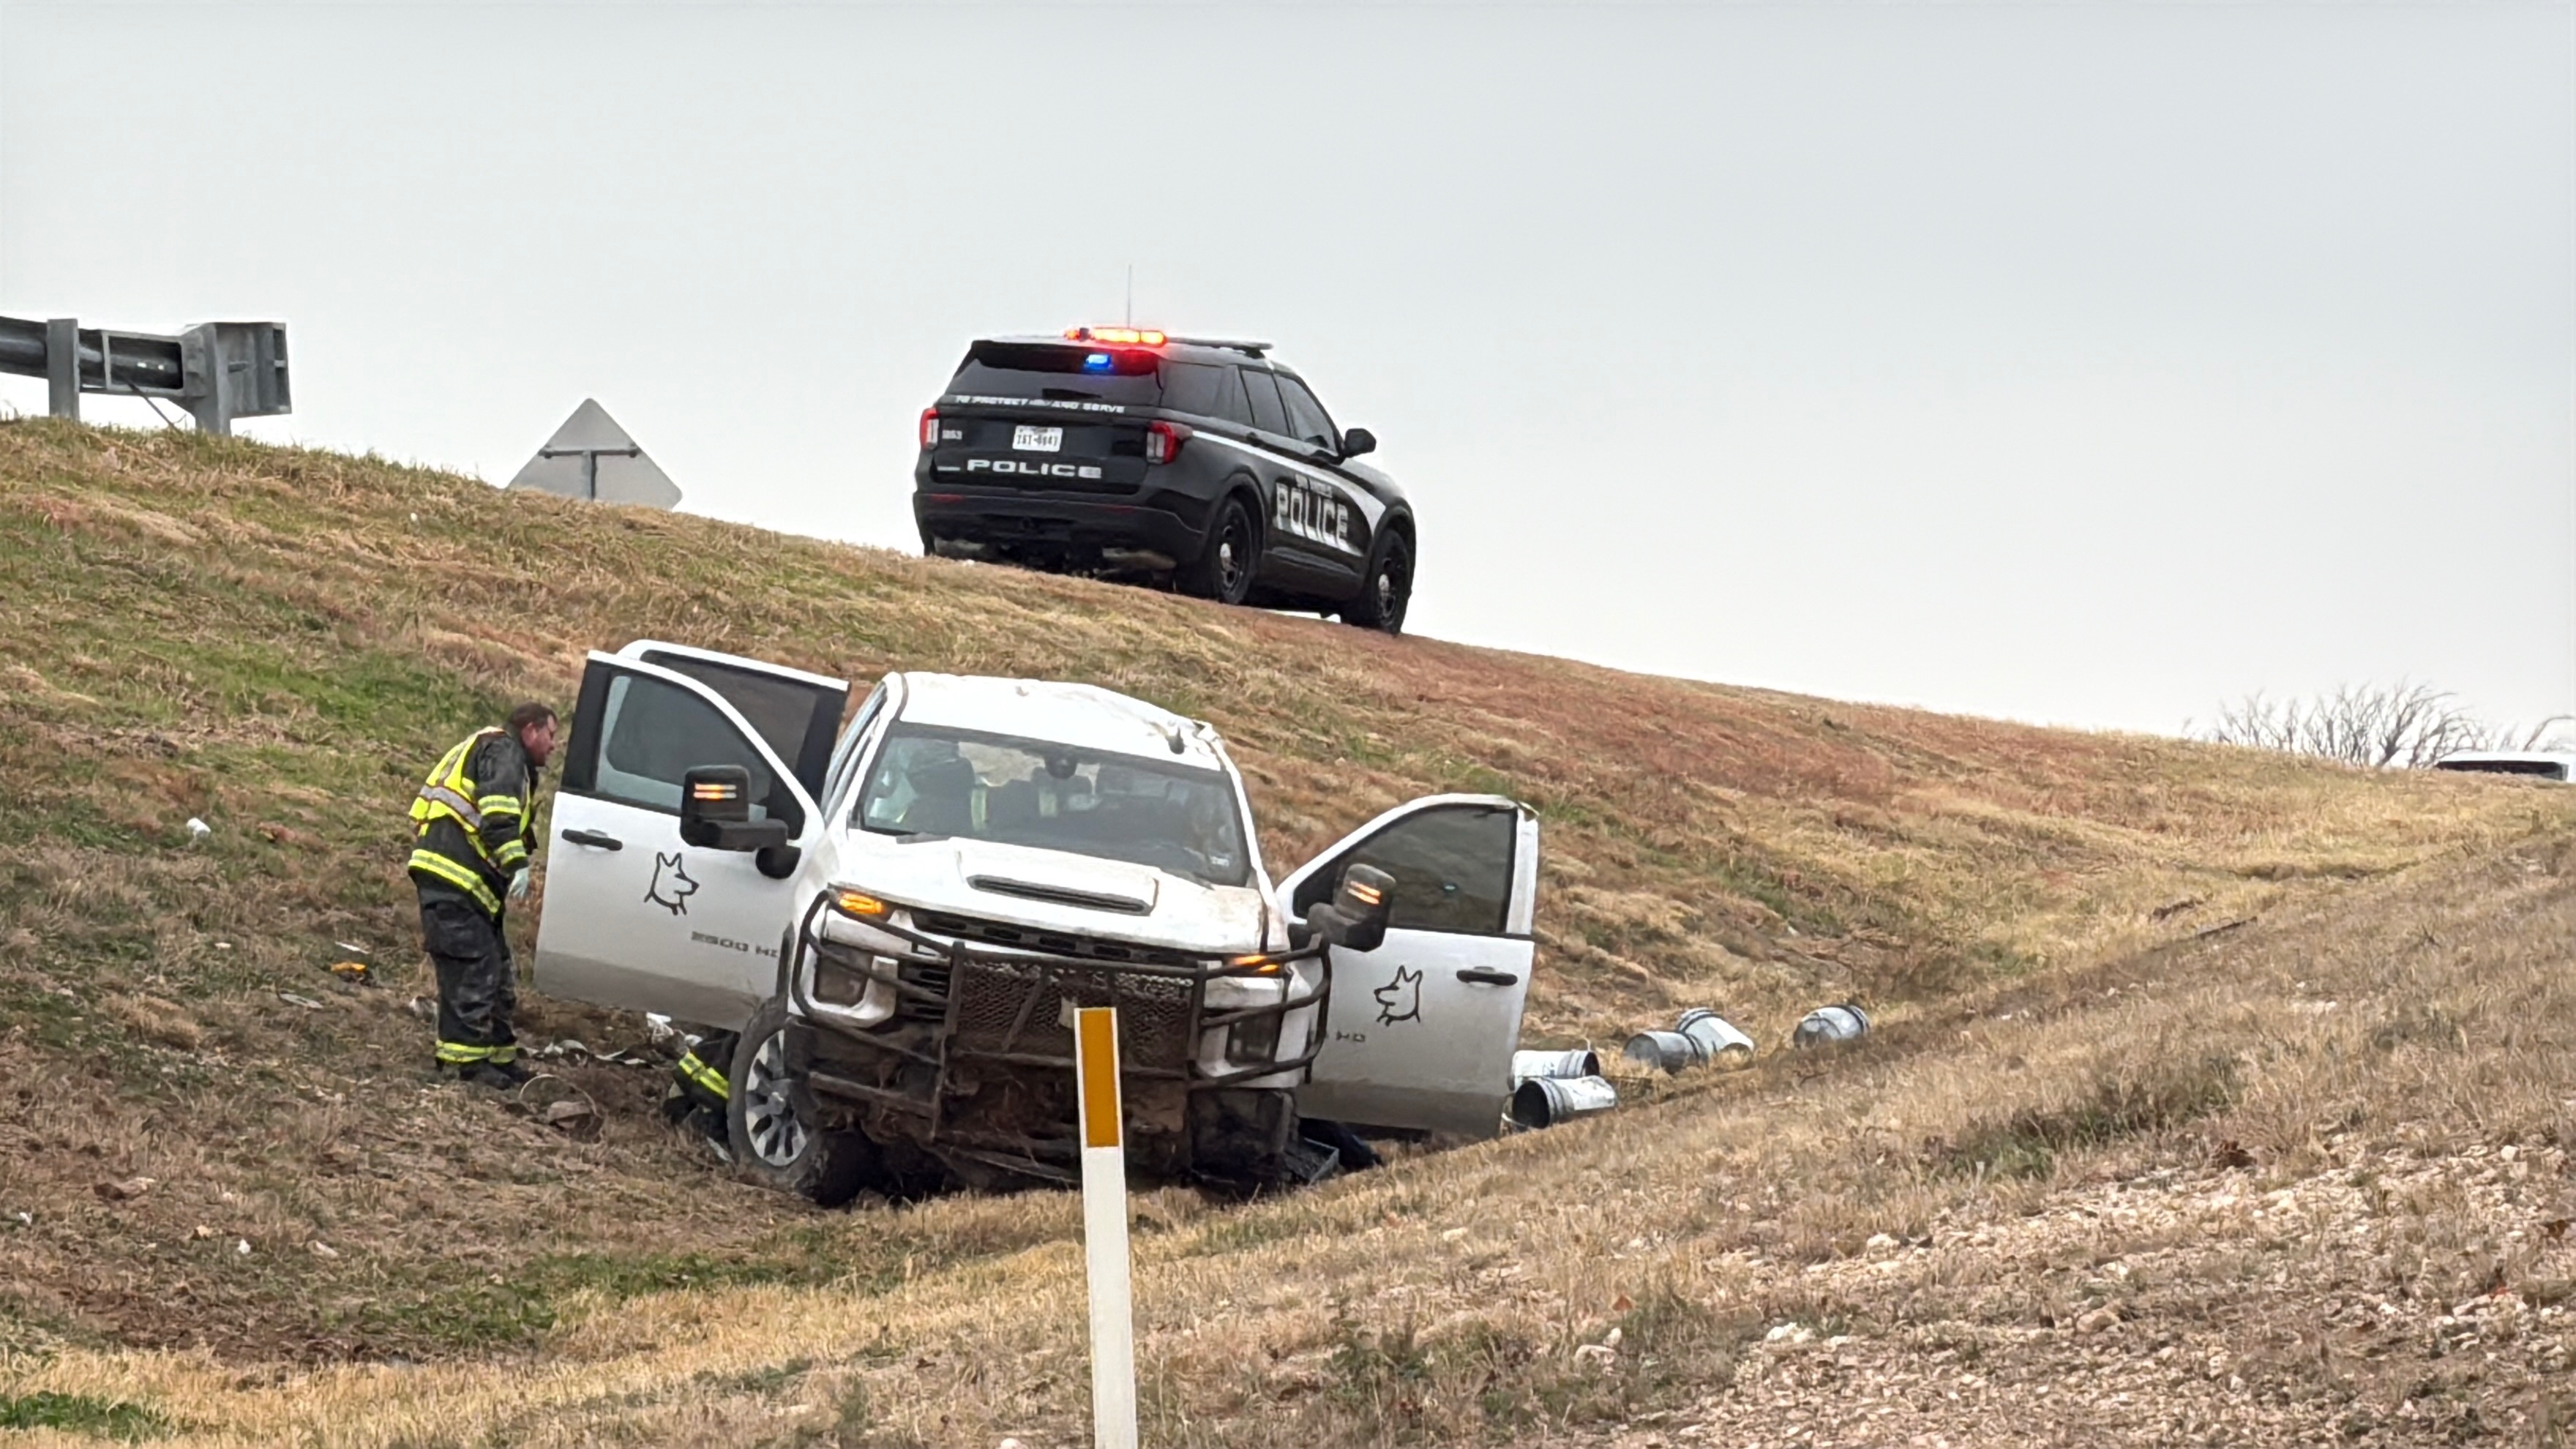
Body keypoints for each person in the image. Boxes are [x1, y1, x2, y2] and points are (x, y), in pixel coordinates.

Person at [408, 703, 557, 1087]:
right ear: (530, 730)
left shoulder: (496, 751)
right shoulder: (504, 751)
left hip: (465, 883)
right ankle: (464, 1065)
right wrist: (516, 863)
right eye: (551, 735)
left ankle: (499, 1058)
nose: (554, 745)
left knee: (497, 972)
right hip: (455, 877)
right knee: (474, 971)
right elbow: (498, 814)